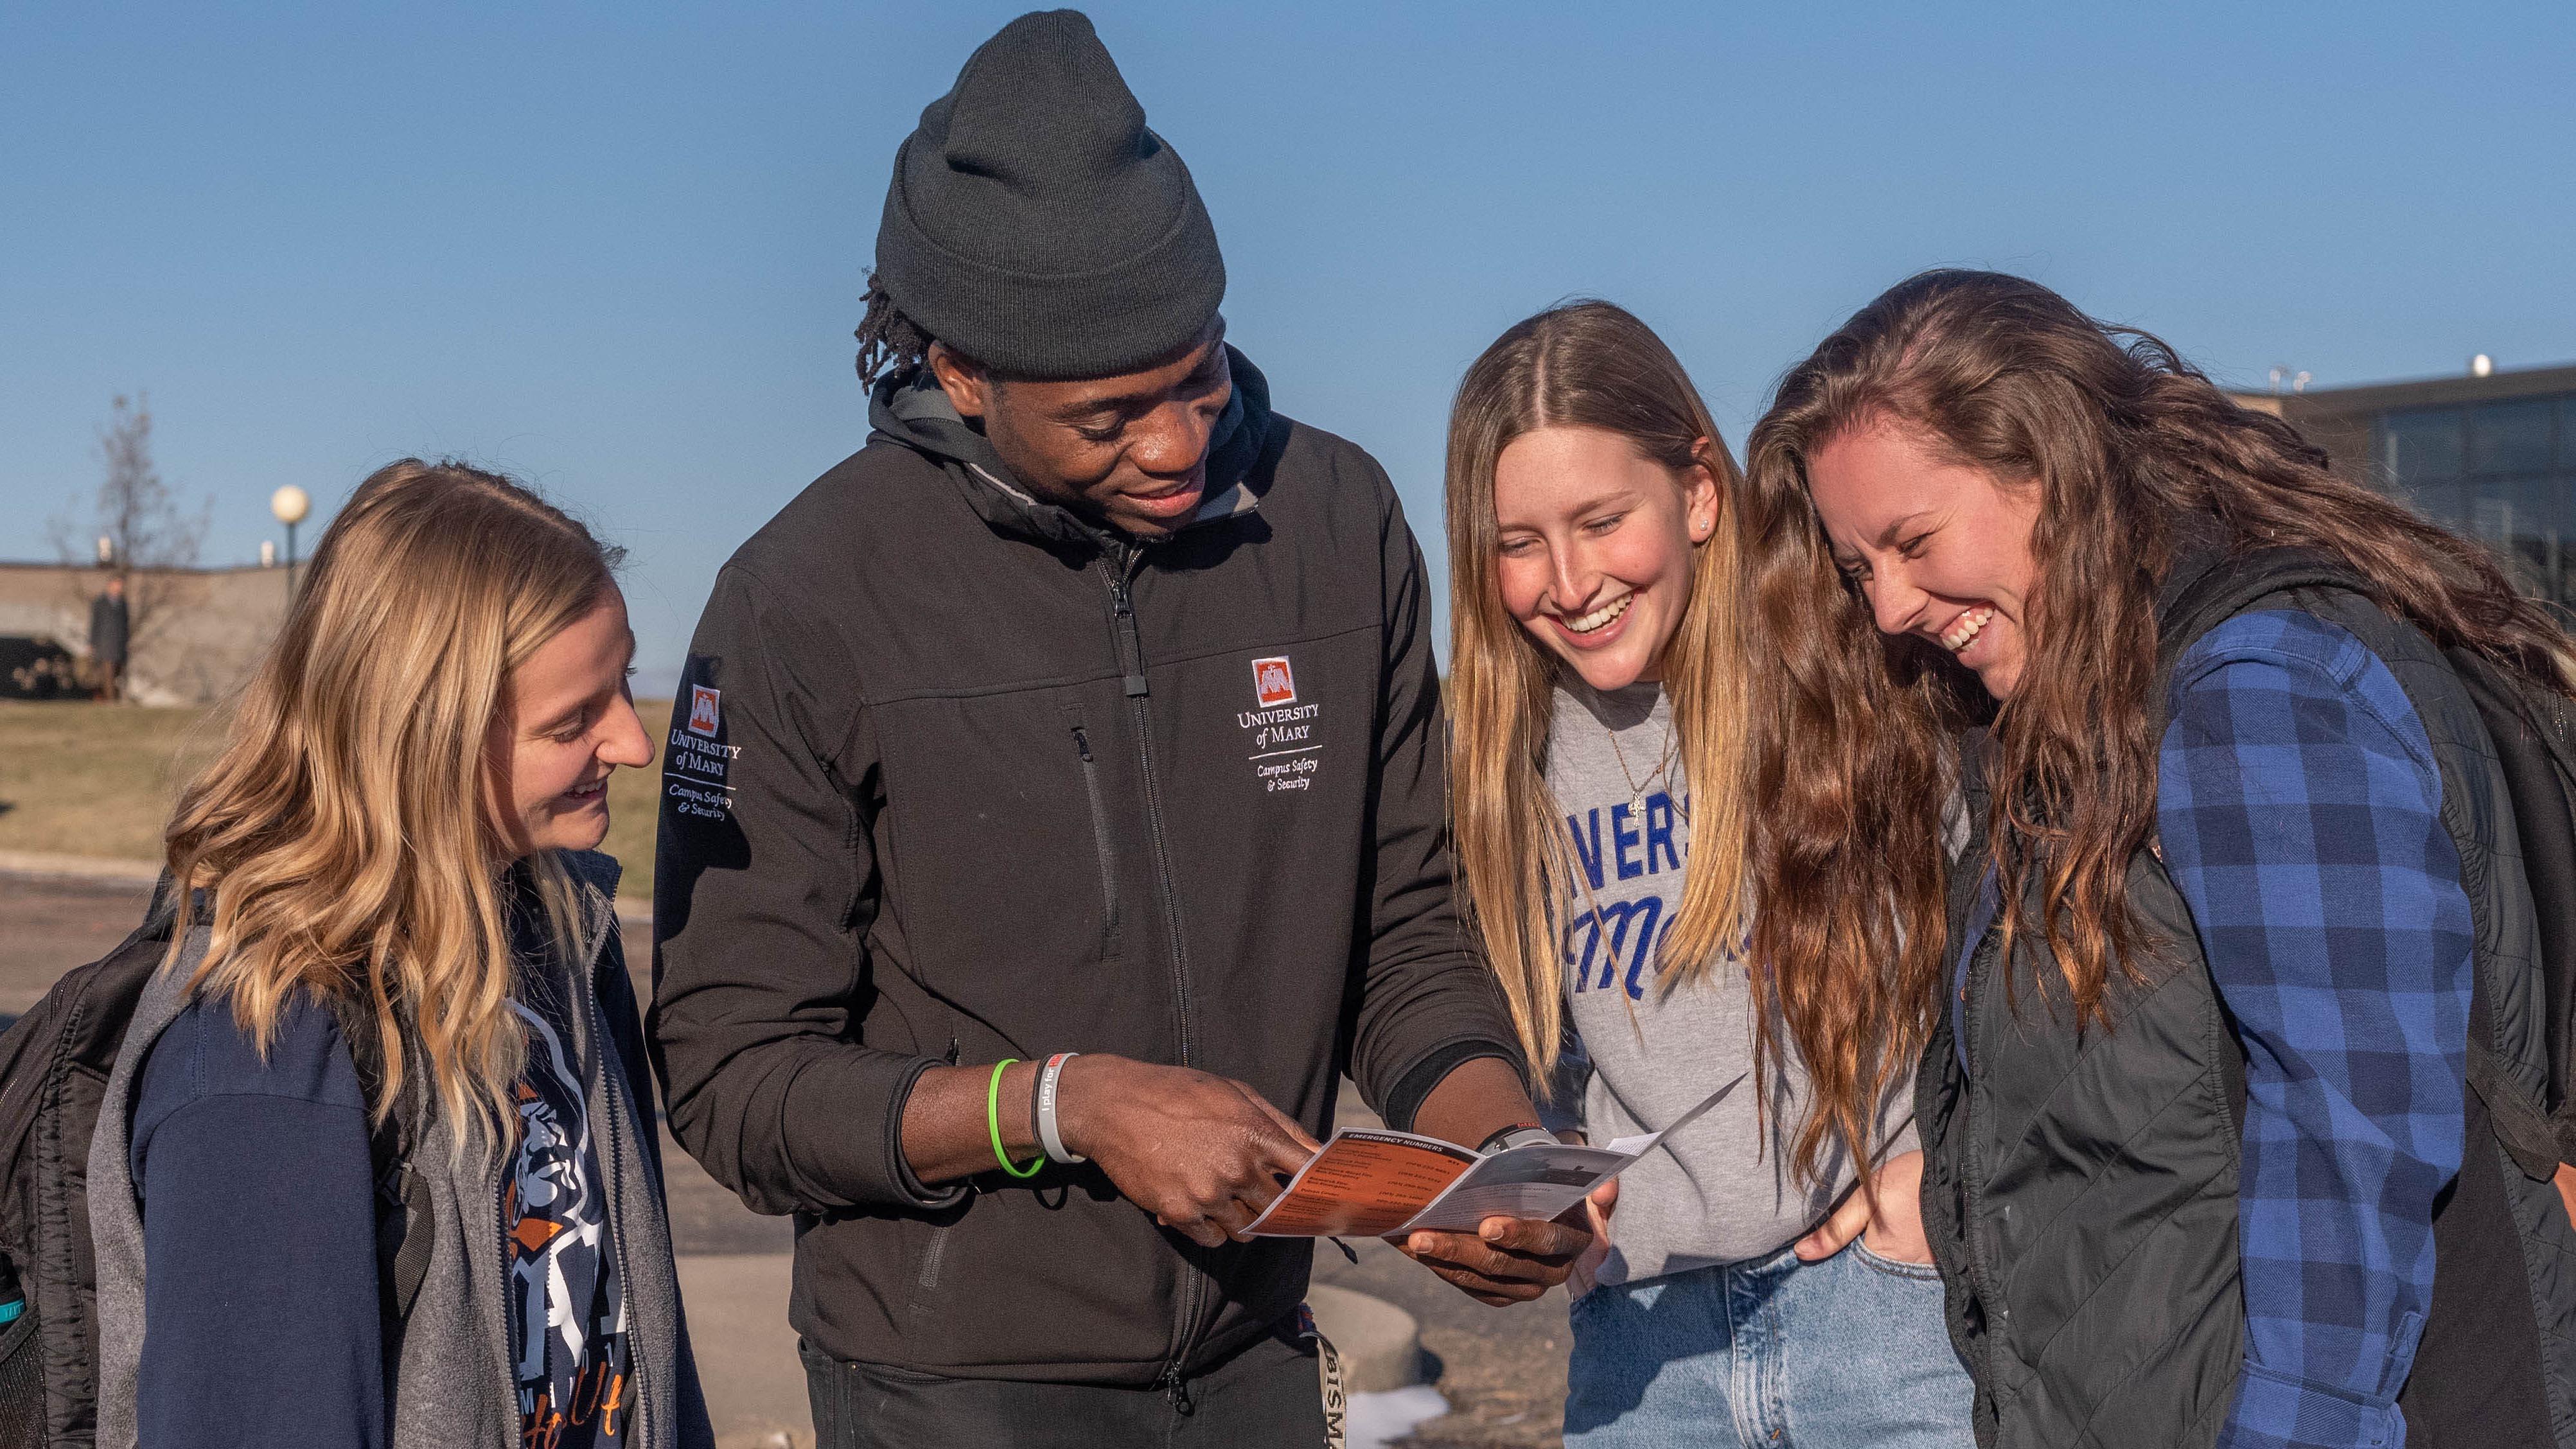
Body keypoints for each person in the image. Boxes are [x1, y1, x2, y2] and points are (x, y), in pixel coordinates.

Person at [648, 12, 1585, 1446]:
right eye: (1107, 414)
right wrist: (1063, 1106)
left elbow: (1403, 932)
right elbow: (734, 1079)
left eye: (1198, 377)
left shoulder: (1335, 524)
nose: (1174, 443)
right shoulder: (802, 600)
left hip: (1262, 1356)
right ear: (958, 373)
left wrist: (1491, 1147)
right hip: (947, 1391)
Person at [1739, 269, 2576, 1447]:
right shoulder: (2082, 715)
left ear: (2049, 465)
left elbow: (2351, 1153)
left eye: (1913, 541)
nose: (1888, 609)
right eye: (1858, 568)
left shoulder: (2255, 694)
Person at [85, 461, 712, 1449]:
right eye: (571, 721)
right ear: (426, 738)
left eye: (623, 681)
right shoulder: (263, 1061)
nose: (635, 743)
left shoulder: (556, 946)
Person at [1441, 300, 1973, 1448]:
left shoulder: (1839, 670)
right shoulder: (1494, 759)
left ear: (1696, 493)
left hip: (1887, 1309)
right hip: (1643, 1346)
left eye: (1599, 520)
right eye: (1518, 543)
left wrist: (1952, 1164)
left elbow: (2008, 919)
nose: (1569, 580)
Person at [89, 572, 128, 701]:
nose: (119, 588)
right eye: (117, 585)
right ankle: (111, 701)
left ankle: (115, 698)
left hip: (119, 646)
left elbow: (126, 624)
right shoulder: (100, 603)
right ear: (110, 586)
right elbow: (95, 624)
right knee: (107, 675)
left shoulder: (123, 603)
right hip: (104, 645)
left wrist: (126, 642)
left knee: (118, 675)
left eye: (120, 585)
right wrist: (92, 643)